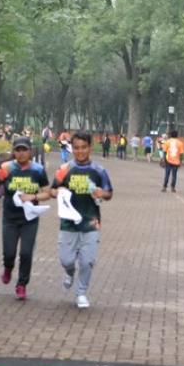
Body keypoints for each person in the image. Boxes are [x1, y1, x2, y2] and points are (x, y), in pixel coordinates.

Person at [51, 132, 113, 309]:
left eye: (83, 147)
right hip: (68, 223)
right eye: (76, 148)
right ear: (72, 148)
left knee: (87, 261)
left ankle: (81, 293)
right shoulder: (64, 169)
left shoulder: (99, 170)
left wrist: (102, 193)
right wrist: (58, 192)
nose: (80, 151)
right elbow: (52, 190)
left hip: (90, 222)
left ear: (90, 148)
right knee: (66, 260)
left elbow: (109, 193)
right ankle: (69, 272)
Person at [0, 137, 50, 300]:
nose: (21, 153)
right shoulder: (6, 168)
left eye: (24, 150)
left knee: (26, 253)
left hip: (30, 219)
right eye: (18, 150)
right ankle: (8, 268)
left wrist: (33, 196)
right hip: (10, 218)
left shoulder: (38, 170)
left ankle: (22, 284)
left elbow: (47, 193)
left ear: (30, 151)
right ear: (13, 152)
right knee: (9, 253)